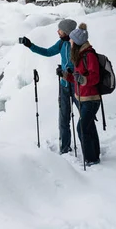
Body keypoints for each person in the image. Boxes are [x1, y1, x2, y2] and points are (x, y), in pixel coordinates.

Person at [19, 19, 77, 154]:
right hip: (64, 85)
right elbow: (48, 52)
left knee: (84, 119)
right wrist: (30, 45)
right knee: (63, 119)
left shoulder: (77, 45)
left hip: (77, 87)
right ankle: (65, 149)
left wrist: (69, 72)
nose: (58, 31)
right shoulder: (62, 43)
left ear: (67, 32)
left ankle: (90, 150)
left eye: (60, 30)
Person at [60, 22, 101, 167]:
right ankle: (95, 154)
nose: (69, 42)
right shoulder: (79, 56)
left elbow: (95, 77)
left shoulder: (89, 55)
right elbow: (77, 78)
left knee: (82, 128)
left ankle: (91, 159)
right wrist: (66, 76)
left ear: (76, 42)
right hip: (83, 98)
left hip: (91, 99)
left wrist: (82, 79)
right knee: (87, 127)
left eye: (71, 40)